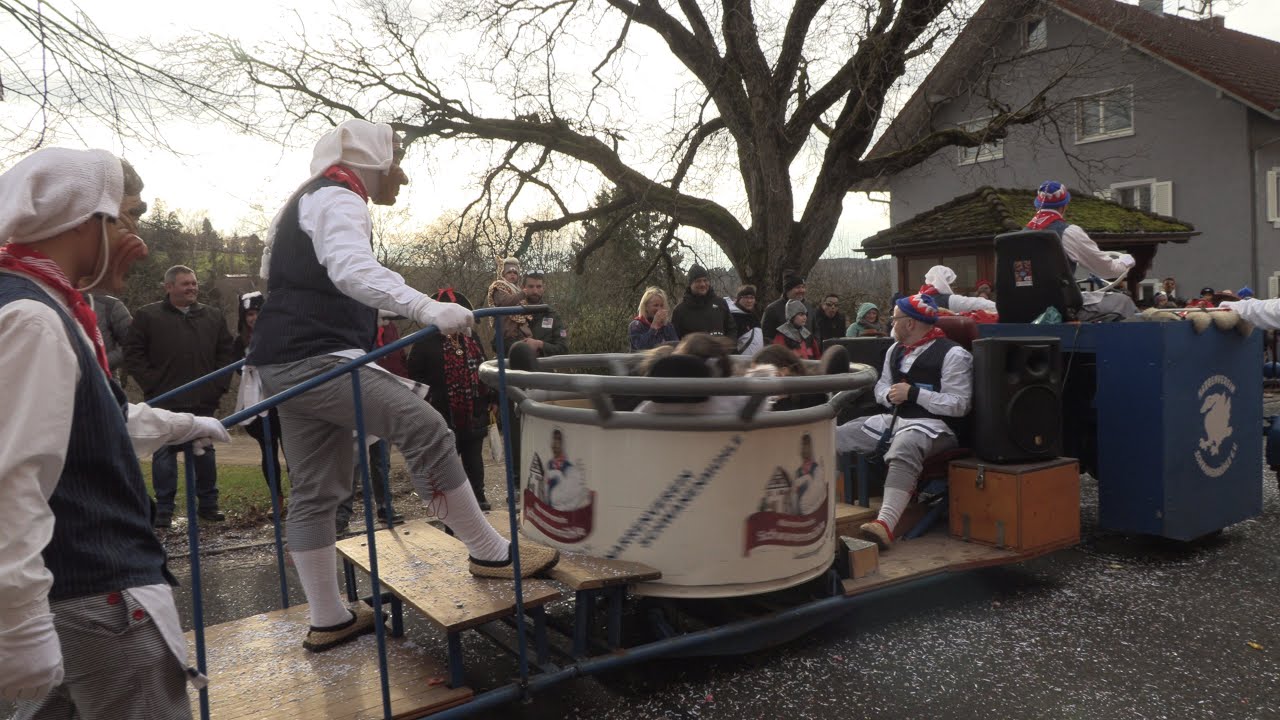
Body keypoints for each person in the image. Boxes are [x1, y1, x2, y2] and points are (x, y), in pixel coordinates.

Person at [246, 119, 557, 653]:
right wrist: (427, 307)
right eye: (397, 164)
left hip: (281, 361)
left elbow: (337, 283)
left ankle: (329, 617)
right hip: (314, 361)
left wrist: (419, 306)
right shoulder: (341, 196)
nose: (403, 178)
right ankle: (487, 551)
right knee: (426, 428)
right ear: (372, 162)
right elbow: (350, 270)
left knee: (316, 492)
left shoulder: (309, 201)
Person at [0, 148, 229, 716]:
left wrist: (184, 424)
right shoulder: (33, 319)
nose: (139, 240)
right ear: (85, 216)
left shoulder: (44, 304)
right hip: (93, 594)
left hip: (75, 592)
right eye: (128, 217)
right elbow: (11, 475)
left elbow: (84, 421)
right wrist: (20, 622)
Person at [835, 293, 972, 551]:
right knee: (837, 434)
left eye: (894, 319)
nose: (890, 324)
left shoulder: (954, 354)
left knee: (905, 445)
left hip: (937, 428)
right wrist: (889, 395)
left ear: (910, 323)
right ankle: (821, 507)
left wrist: (915, 394)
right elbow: (881, 387)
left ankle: (884, 525)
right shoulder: (894, 350)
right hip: (896, 420)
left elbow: (960, 404)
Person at [125, 264, 236, 527]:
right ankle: (164, 509)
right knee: (164, 454)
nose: (192, 288)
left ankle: (208, 505)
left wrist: (217, 386)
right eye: (185, 284)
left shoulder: (213, 316)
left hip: (203, 400)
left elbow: (226, 354)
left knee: (204, 453)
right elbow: (133, 353)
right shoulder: (147, 316)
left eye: (194, 283)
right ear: (169, 287)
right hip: (165, 400)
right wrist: (152, 384)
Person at [406, 288, 495, 511]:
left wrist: (492, 396)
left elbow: (483, 368)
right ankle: (453, 503)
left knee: (474, 457)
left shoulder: (471, 337)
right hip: (442, 411)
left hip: (474, 408)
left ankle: (479, 496)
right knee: (447, 460)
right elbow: (414, 375)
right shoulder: (424, 342)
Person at [1026, 181, 1137, 320]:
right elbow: (1106, 270)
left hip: (1025, 309)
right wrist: (1124, 263)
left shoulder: (1018, 236)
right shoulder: (1069, 232)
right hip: (1060, 309)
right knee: (1122, 301)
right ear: (1064, 206)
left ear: (1037, 205)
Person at [232, 291, 286, 509]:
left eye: (258, 313)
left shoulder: (280, 334)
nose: (254, 318)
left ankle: (302, 495)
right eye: (249, 315)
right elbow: (237, 368)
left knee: (292, 450)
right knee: (268, 450)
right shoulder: (240, 342)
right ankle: (277, 497)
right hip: (256, 403)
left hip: (281, 400)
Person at [671, 263, 734, 338]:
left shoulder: (721, 303)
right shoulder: (680, 311)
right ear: (690, 284)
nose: (703, 284)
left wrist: (729, 347)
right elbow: (675, 339)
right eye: (698, 281)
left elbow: (732, 329)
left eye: (705, 280)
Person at [519, 272, 569, 357]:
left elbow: (563, 348)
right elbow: (496, 344)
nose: (535, 291)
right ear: (523, 288)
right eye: (531, 286)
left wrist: (540, 345)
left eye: (539, 286)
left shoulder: (553, 316)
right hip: (517, 368)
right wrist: (520, 346)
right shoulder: (513, 313)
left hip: (544, 368)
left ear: (543, 288)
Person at [84, 291, 131, 379]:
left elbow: (131, 344)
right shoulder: (56, 304)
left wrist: (101, 363)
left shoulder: (110, 305)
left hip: (105, 381)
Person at [920, 265, 996, 314]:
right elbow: (981, 304)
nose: (955, 288)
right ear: (945, 283)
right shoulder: (950, 300)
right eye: (953, 284)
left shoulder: (919, 298)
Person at [762, 273, 808, 344]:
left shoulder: (808, 308)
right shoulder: (772, 310)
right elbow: (766, 338)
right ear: (788, 290)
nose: (802, 290)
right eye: (798, 287)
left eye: (803, 287)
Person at [629, 286, 678, 351]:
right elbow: (641, 347)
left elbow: (676, 347)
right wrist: (654, 328)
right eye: (656, 305)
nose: (659, 309)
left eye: (661, 305)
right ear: (646, 306)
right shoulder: (636, 325)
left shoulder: (667, 326)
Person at [727, 284, 763, 355]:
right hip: (740, 361)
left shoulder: (754, 316)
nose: (749, 301)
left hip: (756, 361)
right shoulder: (732, 317)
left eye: (752, 298)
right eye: (746, 297)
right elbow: (729, 342)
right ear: (739, 299)